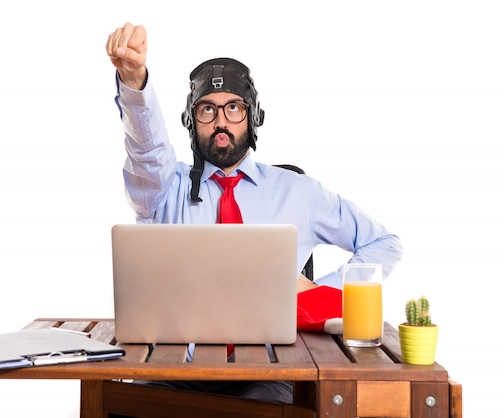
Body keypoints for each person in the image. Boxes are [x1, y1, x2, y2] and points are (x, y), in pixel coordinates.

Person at [105, 22, 403, 404]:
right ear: (190, 122)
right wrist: (133, 79)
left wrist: (318, 293)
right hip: (172, 366)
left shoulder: (299, 191)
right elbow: (146, 150)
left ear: (253, 115)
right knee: (129, 406)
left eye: (233, 107)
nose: (220, 121)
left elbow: (384, 244)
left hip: (268, 371)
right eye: (206, 110)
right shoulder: (164, 187)